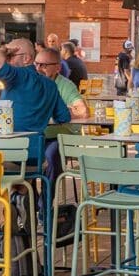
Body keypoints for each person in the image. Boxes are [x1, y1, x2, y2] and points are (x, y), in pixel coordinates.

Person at [36, 48, 87, 182]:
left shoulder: (65, 85)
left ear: (57, 68)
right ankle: (27, 198)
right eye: (36, 64)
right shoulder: (31, 84)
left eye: (44, 65)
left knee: (51, 154)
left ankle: (45, 201)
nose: (38, 68)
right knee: (19, 154)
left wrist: (59, 111)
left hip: (59, 136)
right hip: (35, 135)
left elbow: (83, 111)